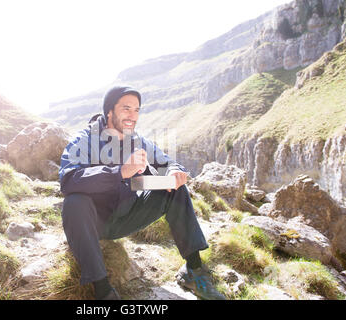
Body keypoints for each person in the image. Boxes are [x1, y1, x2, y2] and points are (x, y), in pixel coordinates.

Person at [59, 85, 225, 300]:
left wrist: (173, 171)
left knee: (174, 187)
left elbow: (164, 161)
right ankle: (103, 289)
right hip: (92, 223)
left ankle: (194, 271)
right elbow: (68, 179)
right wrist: (119, 172)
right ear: (109, 111)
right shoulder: (83, 140)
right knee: (74, 202)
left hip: (127, 214)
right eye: (126, 109)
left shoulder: (136, 140)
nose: (133, 116)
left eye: (136, 110)